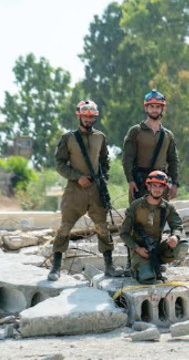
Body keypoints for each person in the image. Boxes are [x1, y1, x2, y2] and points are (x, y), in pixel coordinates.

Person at [48, 100, 115, 281]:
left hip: (96, 189)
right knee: (65, 227)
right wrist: (77, 177)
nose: (88, 119)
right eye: (85, 116)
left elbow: (105, 161)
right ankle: (56, 267)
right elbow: (60, 164)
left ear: (95, 118)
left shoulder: (100, 137)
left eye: (91, 116)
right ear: (79, 116)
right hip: (75, 190)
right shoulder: (68, 138)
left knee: (102, 228)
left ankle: (109, 265)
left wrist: (104, 178)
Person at [120, 171, 189, 284]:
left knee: (183, 244)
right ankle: (139, 267)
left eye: (160, 186)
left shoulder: (167, 207)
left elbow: (177, 225)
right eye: (154, 186)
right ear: (149, 187)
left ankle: (154, 264)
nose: (157, 189)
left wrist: (175, 236)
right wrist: (137, 249)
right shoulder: (136, 205)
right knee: (148, 278)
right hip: (140, 251)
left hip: (156, 249)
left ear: (165, 188)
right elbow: (124, 233)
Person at [122, 89, 179, 203]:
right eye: (151, 106)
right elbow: (127, 158)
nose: (154, 110)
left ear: (162, 109)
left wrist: (174, 183)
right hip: (140, 183)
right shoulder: (136, 131)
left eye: (158, 107)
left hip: (161, 183)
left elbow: (173, 161)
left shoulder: (168, 135)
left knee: (161, 213)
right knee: (138, 213)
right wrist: (131, 181)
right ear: (146, 108)